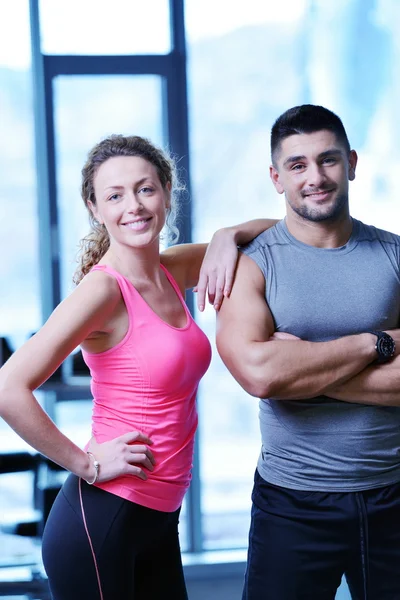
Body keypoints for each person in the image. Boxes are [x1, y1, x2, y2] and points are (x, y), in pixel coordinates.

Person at [0, 134, 277, 600]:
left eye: (146, 189)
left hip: (158, 519)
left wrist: (228, 235)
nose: (135, 206)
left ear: (167, 192)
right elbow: (8, 387)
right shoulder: (103, 292)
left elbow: (276, 234)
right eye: (115, 195)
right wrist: (84, 463)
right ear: (94, 207)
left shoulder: (172, 270)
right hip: (102, 520)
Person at [216, 104, 400, 600]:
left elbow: (279, 375)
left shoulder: (394, 256)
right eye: (297, 165)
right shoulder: (251, 267)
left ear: (353, 163)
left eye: (328, 160)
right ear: (277, 178)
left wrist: (300, 368)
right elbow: (259, 375)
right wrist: (374, 344)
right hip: (292, 502)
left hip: (394, 493)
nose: (315, 177)